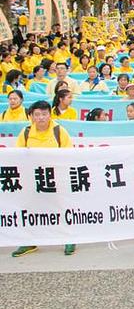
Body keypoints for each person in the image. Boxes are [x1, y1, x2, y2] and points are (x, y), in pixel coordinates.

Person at [11, 100, 75, 258]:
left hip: (55, 178)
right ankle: (29, 241)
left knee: (61, 208)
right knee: (30, 209)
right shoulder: (25, 132)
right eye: (37, 114)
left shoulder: (59, 131)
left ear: (50, 115)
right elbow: (18, 156)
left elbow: (69, 154)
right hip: (33, 179)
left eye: (44, 114)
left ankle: (69, 238)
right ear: (31, 116)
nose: (40, 118)